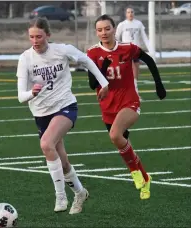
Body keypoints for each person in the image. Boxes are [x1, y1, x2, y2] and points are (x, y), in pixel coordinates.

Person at [17, 17, 109, 214]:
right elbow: (20, 96)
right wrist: (31, 93)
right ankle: (80, 192)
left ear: (48, 35)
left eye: (39, 36)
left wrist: (104, 83)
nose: (35, 40)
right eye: (32, 37)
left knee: (45, 144)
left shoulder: (62, 50)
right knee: (62, 160)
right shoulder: (25, 58)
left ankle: (60, 196)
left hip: (65, 106)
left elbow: (87, 61)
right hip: (41, 113)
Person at [87, 14, 166, 200]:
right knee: (122, 142)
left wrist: (159, 85)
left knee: (115, 135)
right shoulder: (92, 53)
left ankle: (134, 173)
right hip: (107, 107)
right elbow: (92, 83)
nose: (104, 33)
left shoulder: (127, 48)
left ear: (114, 29)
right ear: (96, 32)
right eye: (99, 30)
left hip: (129, 102)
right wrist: (104, 67)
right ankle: (146, 178)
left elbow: (149, 60)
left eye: (107, 28)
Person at [115, 7, 154, 96]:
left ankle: (135, 91)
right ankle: (126, 91)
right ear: (126, 14)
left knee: (135, 71)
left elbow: (144, 37)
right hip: (126, 51)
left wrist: (151, 50)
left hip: (135, 50)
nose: (130, 14)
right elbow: (116, 37)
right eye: (128, 12)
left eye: (132, 12)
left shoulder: (138, 24)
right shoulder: (122, 24)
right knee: (128, 70)